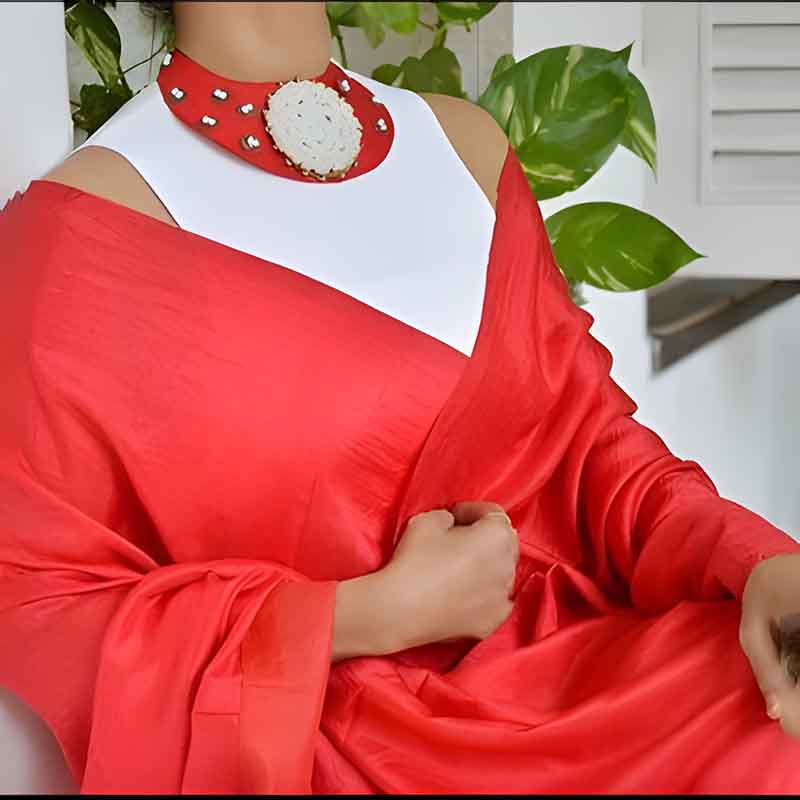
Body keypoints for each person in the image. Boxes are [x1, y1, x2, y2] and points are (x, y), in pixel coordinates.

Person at [2, 1, 800, 793]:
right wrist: (365, 615)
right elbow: (45, 603)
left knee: (773, 725)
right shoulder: (77, 236)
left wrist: (757, 562)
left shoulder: (465, 147)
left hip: (576, 682)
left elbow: (591, 448)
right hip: (342, 746)